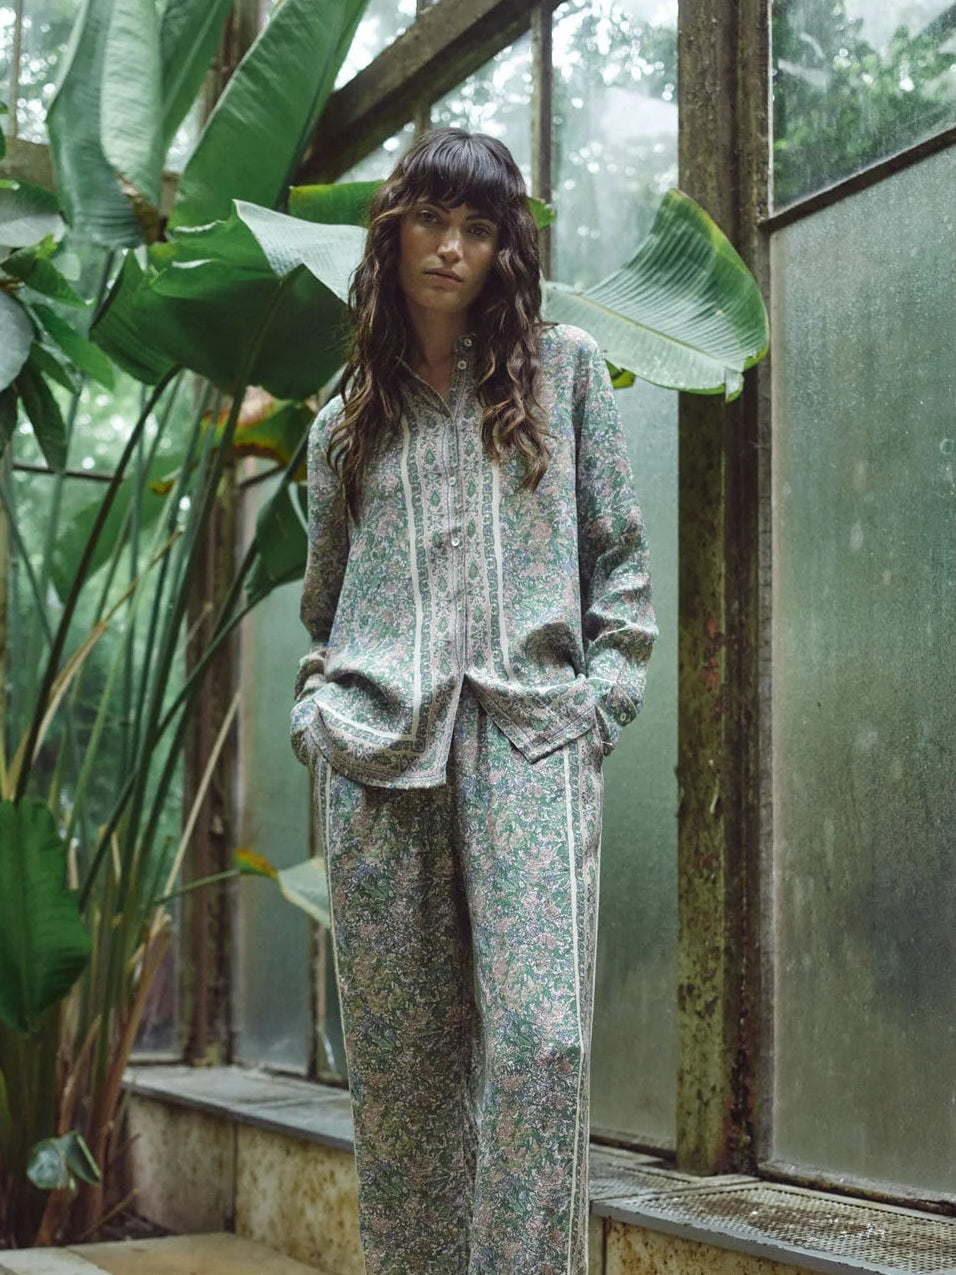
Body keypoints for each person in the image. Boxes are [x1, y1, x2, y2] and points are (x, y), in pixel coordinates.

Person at [290, 127, 656, 1275]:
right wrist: (321, 722)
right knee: (403, 1082)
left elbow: (621, 563)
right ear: (393, 232)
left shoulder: (568, 372)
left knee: (542, 1049)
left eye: (478, 227)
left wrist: (601, 702)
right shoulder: (342, 424)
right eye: (430, 221)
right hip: (377, 756)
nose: (450, 248)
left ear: (503, 246)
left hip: (533, 744)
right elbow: (324, 607)